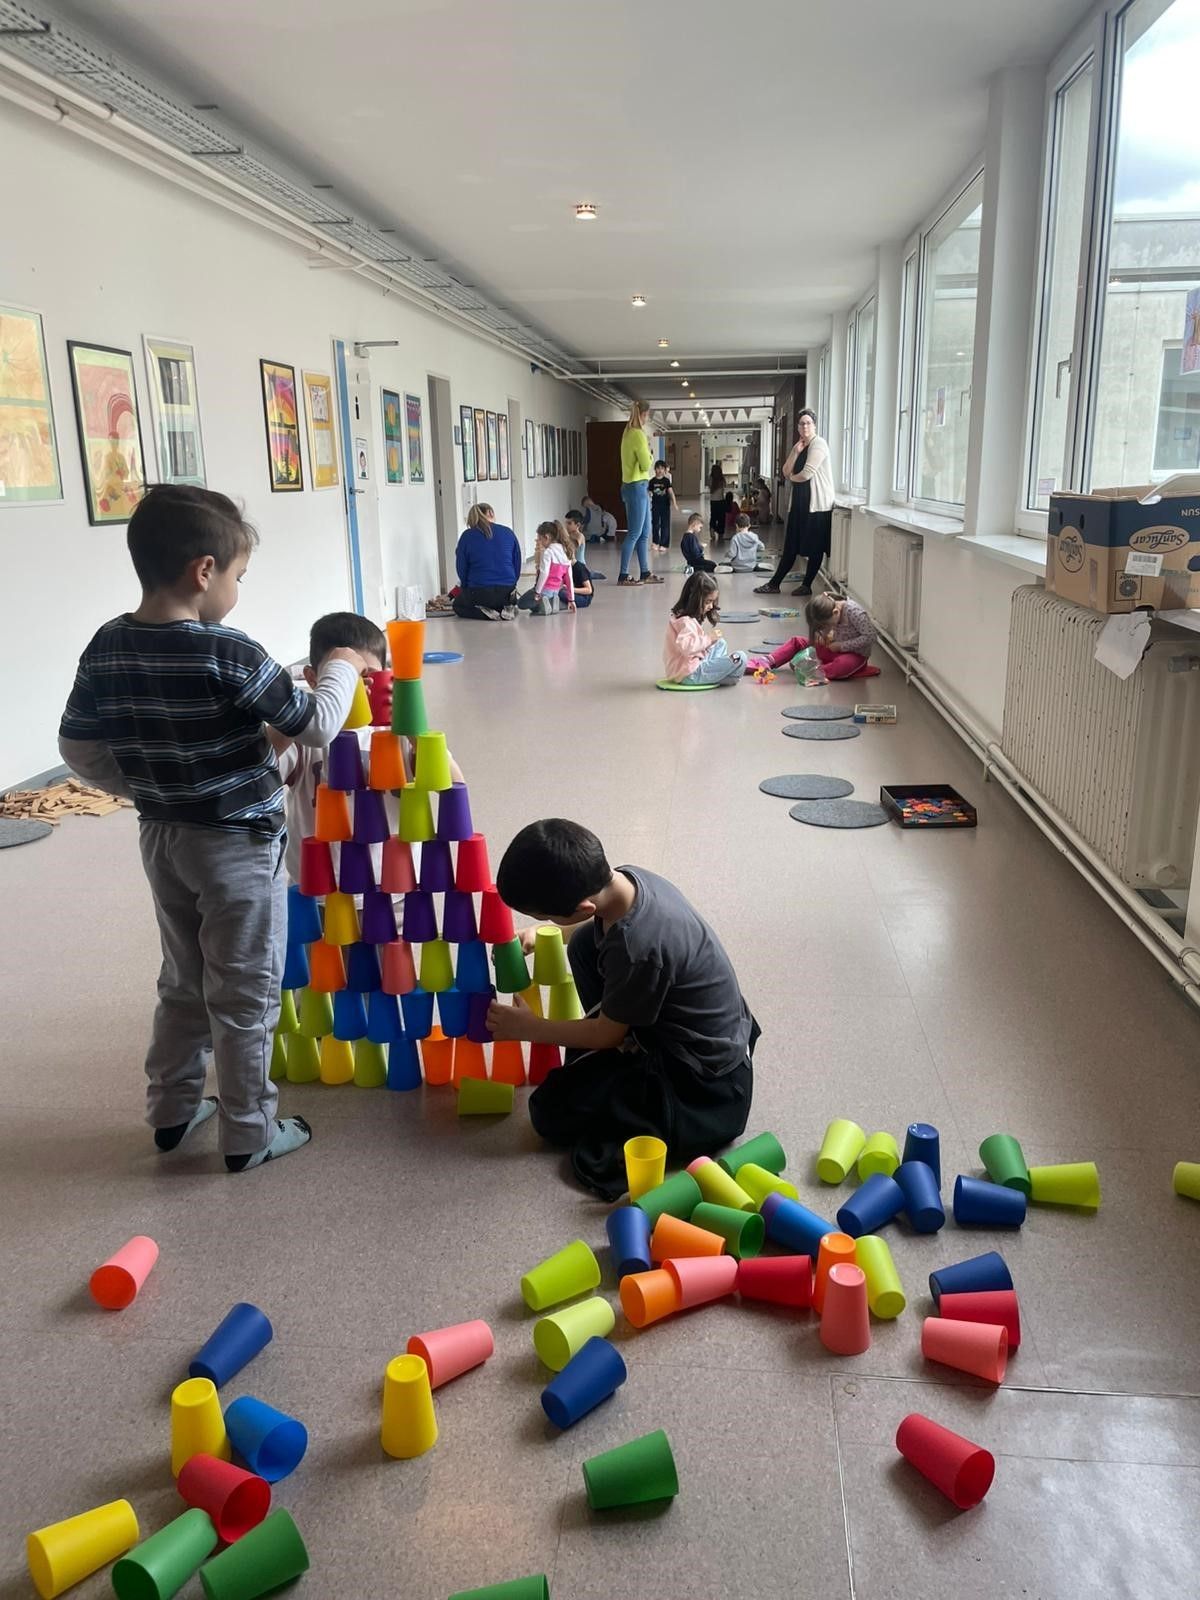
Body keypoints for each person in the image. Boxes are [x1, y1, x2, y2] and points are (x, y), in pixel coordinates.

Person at [57, 484, 366, 1171]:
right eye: (238, 576)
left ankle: (171, 1112)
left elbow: (78, 749)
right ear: (204, 571)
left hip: (163, 840)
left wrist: (147, 781)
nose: (236, 591)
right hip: (238, 848)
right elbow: (313, 723)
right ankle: (249, 1131)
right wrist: (342, 667)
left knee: (183, 979)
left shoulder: (106, 646)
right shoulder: (229, 650)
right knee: (244, 992)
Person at [488, 818, 757, 1197]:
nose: (544, 924)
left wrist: (530, 1027)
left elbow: (605, 1034)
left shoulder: (638, 948)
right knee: (583, 943)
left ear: (582, 905)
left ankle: (635, 1068)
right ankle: (627, 1043)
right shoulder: (627, 881)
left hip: (706, 1085)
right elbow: (589, 924)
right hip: (710, 1039)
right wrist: (543, 934)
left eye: (545, 917)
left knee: (549, 1113)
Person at [275, 611, 463, 883]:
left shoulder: (397, 735)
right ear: (314, 679)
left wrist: (414, 732)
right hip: (320, 890)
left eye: (368, 676)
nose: (358, 687)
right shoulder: (306, 740)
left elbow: (454, 785)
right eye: (343, 677)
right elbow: (260, 768)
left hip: (396, 885)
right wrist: (298, 715)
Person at [755, 409, 833, 597]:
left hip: (817, 505)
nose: (804, 426)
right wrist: (795, 453)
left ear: (814, 425)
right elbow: (785, 470)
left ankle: (806, 585)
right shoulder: (799, 446)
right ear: (798, 427)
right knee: (791, 545)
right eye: (801, 423)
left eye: (808, 423)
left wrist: (791, 477)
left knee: (815, 547)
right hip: (799, 503)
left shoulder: (819, 444)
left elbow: (807, 473)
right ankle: (775, 584)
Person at [748, 593, 881, 680]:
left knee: (842, 665)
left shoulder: (855, 613)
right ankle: (768, 661)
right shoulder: (827, 603)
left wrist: (842, 646)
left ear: (835, 612)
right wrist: (822, 635)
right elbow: (825, 628)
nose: (825, 629)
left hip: (855, 655)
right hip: (832, 648)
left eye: (825, 626)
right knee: (797, 641)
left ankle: (813, 671)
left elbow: (871, 637)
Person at [663, 571, 747, 686]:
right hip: (689, 674)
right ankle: (727, 677)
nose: (711, 606)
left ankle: (720, 675)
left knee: (720, 643)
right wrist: (708, 639)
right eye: (708, 602)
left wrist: (710, 642)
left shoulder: (682, 616)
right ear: (695, 599)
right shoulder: (686, 621)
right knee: (740, 657)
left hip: (686, 667)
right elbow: (687, 647)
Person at [618, 400, 662, 586]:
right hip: (636, 486)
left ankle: (645, 572)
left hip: (634, 486)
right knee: (635, 533)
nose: (647, 418)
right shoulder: (638, 434)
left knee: (645, 532)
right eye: (647, 415)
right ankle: (623, 575)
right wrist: (651, 454)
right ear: (643, 414)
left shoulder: (627, 433)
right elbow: (645, 464)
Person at [453, 503, 522, 619]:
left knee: (458, 605)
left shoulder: (467, 536)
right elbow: (517, 563)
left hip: (479, 592)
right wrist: (512, 584)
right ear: (490, 513)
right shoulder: (508, 532)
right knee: (502, 600)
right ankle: (506, 608)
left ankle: (485, 613)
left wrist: (465, 588)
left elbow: (461, 567)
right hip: (506, 592)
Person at [518, 520, 576, 614]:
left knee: (521, 603)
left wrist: (537, 592)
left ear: (547, 537)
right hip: (556, 591)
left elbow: (544, 573)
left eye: (540, 539)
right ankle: (551, 603)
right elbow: (569, 578)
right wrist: (571, 600)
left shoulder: (548, 552)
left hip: (544, 590)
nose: (539, 542)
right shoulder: (566, 552)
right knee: (540, 599)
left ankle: (543, 605)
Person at [562, 520, 595, 609]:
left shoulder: (579, 568)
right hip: (573, 594)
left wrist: (570, 589)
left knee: (560, 593)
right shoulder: (566, 566)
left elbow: (589, 590)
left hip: (584, 598)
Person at [648, 459, 679, 550]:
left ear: (665, 470)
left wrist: (675, 503)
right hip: (655, 506)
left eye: (662, 468)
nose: (660, 470)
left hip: (665, 506)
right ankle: (655, 542)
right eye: (658, 468)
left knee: (665, 524)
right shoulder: (652, 481)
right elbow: (649, 492)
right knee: (655, 524)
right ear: (655, 469)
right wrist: (649, 494)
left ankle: (664, 544)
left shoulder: (666, 481)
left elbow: (671, 492)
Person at [708, 460, 726, 537]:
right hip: (721, 500)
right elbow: (724, 487)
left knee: (713, 516)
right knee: (721, 517)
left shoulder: (711, 478)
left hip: (713, 501)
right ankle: (720, 531)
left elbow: (710, 488)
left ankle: (712, 530)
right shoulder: (722, 479)